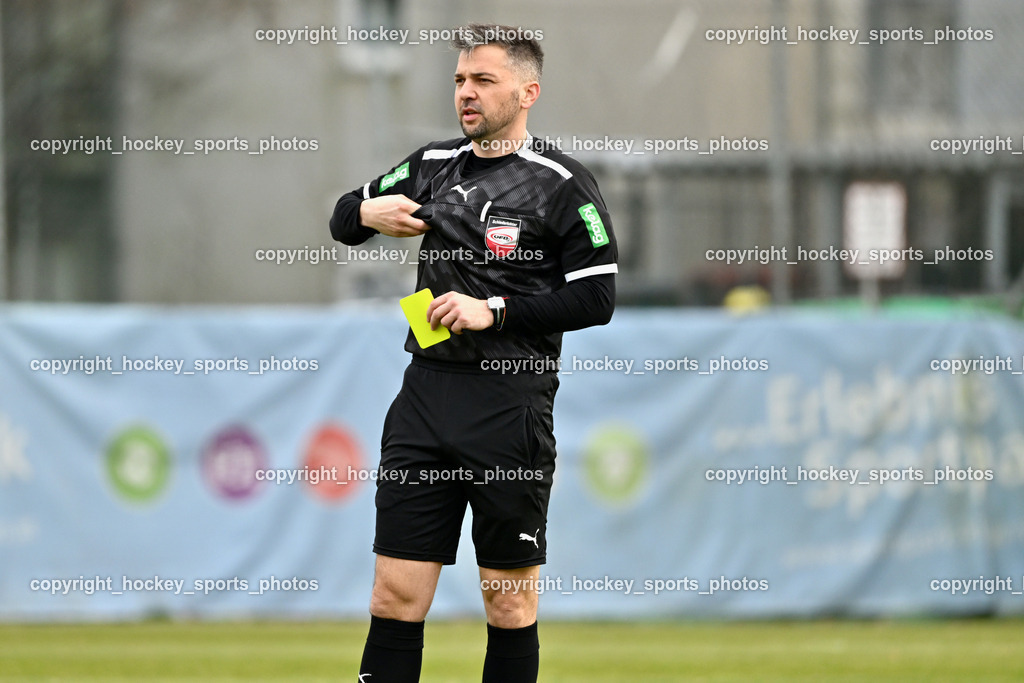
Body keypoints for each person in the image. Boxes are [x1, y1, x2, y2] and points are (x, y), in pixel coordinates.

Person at [330, 22, 618, 683]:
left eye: (483, 80)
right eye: (459, 79)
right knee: (394, 596)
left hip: (508, 408)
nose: (466, 92)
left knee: (509, 603)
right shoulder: (432, 166)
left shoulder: (561, 183)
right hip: (424, 402)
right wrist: (367, 214)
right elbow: (345, 217)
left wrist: (494, 311)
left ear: (527, 91)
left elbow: (596, 299)